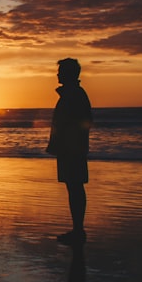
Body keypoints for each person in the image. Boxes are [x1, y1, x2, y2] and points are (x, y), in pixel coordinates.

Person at [46, 58, 92, 245]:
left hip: (72, 148)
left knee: (75, 187)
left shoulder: (74, 95)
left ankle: (78, 230)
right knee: (73, 187)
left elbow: (80, 122)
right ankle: (77, 229)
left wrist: (69, 143)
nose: (57, 74)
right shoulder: (71, 94)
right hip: (70, 147)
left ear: (68, 73)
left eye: (60, 71)